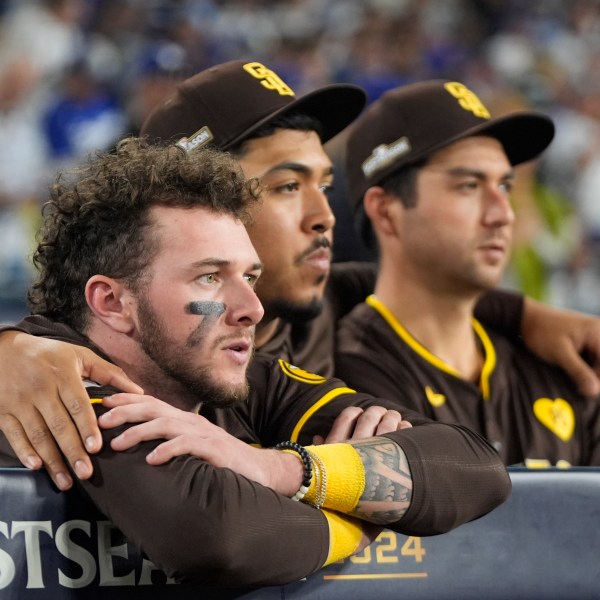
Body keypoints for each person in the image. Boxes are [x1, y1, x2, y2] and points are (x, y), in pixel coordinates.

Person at [3, 59, 600, 489]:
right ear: (199, 204)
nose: (323, 218)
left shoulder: (327, 299)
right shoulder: (83, 361)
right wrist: (11, 351)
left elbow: (408, 284)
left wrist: (529, 315)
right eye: (288, 186)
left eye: (326, 185)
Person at [0, 138, 510, 587]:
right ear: (112, 302)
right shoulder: (50, 381)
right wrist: (362, 523)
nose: (252, 309)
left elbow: (476, 468)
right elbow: (220, 538)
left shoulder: (243, 380)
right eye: (209, 278)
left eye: (251, 276)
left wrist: (284, 469)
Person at [336, 80, 600, 466]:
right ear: (386, 211)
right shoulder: (340, 378)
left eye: (504, 185)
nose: (503, 213)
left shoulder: (567, 366)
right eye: (469, 185)